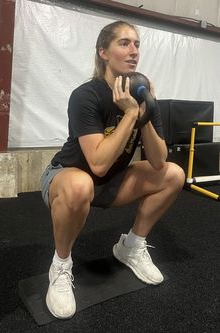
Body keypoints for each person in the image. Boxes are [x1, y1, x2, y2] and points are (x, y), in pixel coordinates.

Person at [40, 20, 185, 319]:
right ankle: (61, 265)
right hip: (67, 178)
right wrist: (130, 114)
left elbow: (158, 161)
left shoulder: (142, 95)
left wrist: (145, 113)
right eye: (124, 43)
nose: (134, 50)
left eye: (137, 44)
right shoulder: (87, 96)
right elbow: (98, 163)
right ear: (103, 52)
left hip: (110, 182)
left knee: (173, 174)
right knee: (81, 185)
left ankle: (131, 246)